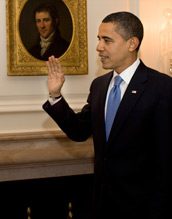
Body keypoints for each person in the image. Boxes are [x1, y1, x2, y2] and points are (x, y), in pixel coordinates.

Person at [43, 12, 172, 219]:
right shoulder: (99, 85)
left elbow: (166, 163)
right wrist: (56, 95)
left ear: (132, 44)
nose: (99, 47)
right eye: (98, 39)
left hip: (142, 209)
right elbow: (79, 131)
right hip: (102, 206)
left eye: (107, 40)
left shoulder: (162, 88)